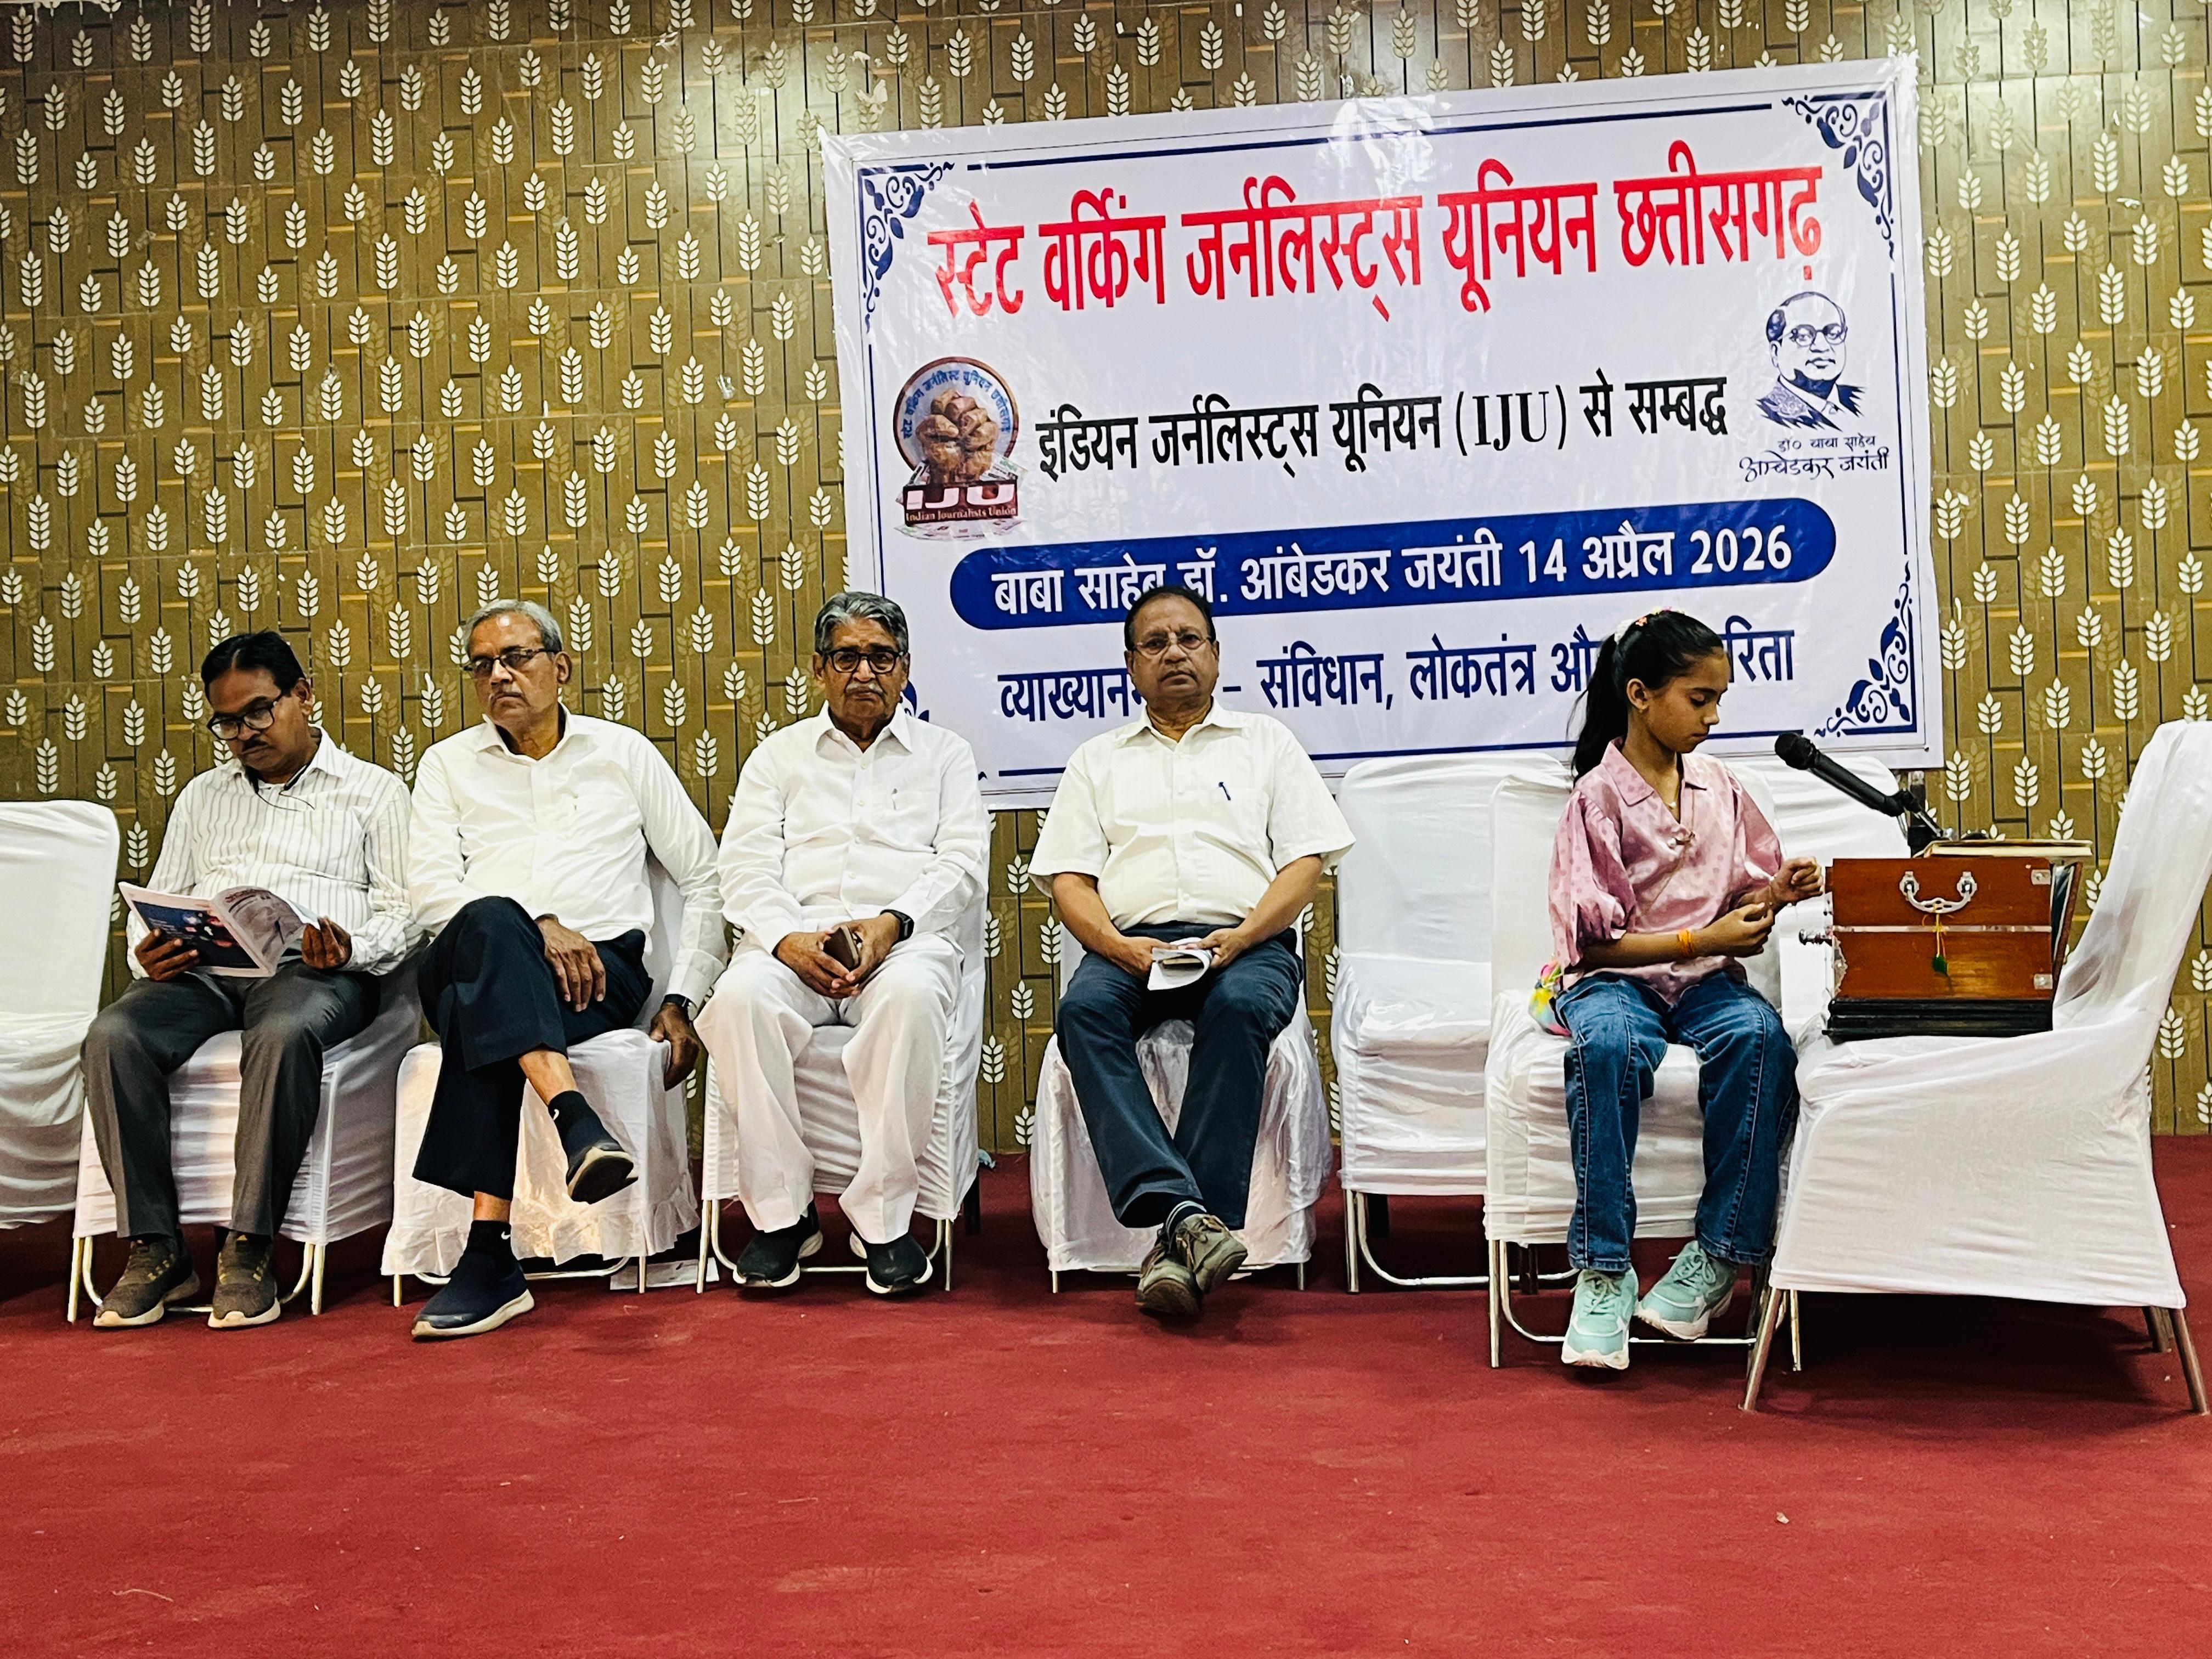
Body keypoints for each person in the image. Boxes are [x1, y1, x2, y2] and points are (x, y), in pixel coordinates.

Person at [404, 599, 725, 1339]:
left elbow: (706, 878)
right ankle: (573, 1116)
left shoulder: (624, 754)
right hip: (469, 950)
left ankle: (488, 1258)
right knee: (491, 922)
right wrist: (539, 925)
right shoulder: (447, 764)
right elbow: (428, 893)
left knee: (477, 1017)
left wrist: (682, 998)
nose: (498, 676)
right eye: (482, 664)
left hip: (599, 979)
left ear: (562, 667)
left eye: (516, 657)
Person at [1031, 584, 1353, 1319]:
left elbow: (1304, 863)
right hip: (1131, 946)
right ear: (1130, 666)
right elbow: (1070, 881)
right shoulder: (1096, 761)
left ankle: (1178, 1234)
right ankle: (1191, 1221)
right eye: (1155, 642)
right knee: (1083, 1016)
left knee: (1241, 1008)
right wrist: (1116, 947)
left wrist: (1244, 937)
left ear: (1215, 655)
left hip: (1247, 942)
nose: (1174, 652)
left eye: (1189, 638)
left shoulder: (1266, 743)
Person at [83, 631, 415, 1330]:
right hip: (207, 970)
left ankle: (250, 1246)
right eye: (227, 723)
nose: (243, 735)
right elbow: (155, 908)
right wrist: (150, 951)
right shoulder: (205, 797)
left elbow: (404, 914)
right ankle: (156, 1247)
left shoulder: (374, 792)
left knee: (284, 1032)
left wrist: (352, 949)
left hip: (315, 971)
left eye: (258, 713)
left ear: (303, 695)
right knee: (112, 1034)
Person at [1545, 610, 1825, 1370]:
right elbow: (1595, 941)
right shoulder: (1596, 801)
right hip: (1614, 980)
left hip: (1703, 983)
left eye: (1718, 698)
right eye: (1699, 699)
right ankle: (1603, 1271)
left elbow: (1746, 892)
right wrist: (1705, 939)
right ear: (1640, 694)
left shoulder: (1721, 787)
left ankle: (1718, 1257)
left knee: (1760, 1040)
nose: (1714, 715)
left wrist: (1780, 892)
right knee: (1606, 1046)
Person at [699, 593, 988, 1296]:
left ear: (905, 669)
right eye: (847, 657)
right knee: (737, 1001)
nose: (865, 672)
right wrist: (788, 941)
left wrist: (891, 925)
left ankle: (885, 1221)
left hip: (902, 943)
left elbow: (961, 862)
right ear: (820, 670)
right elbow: (741, 867)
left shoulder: (945, 755)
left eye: (880, 657)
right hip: (794, 942)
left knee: (916, 999)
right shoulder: (779, 758)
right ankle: (784, 1217)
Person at [1755, 292, 1864, 430]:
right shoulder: (1765, 414)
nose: (1822, 347)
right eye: (1803, 336)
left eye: (1833, 334)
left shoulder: (1861, 401)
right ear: (1776, 352)